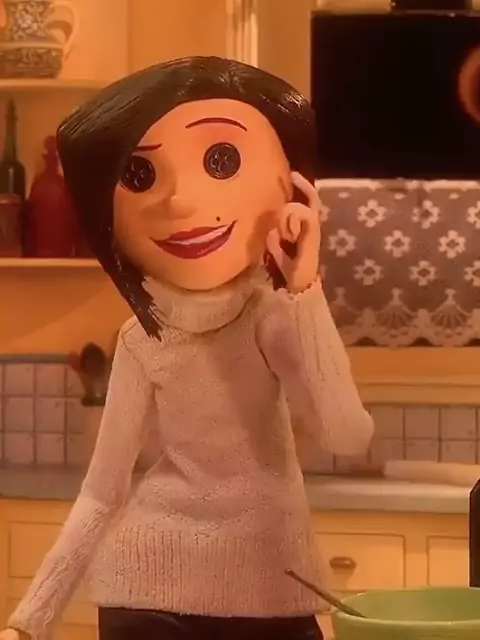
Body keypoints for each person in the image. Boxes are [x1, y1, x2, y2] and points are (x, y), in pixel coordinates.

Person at [0, 56, 373, 640]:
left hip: (267, 595)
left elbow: (346, 434)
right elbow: (102, 491)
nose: (177, 201)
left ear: (292, 182)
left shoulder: (273, 320)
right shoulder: (141, 338)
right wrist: (29, 622)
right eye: (140, 175)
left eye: (221, 160)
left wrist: (306, 289)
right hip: (144, 592)